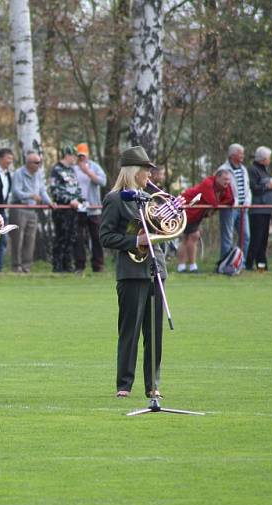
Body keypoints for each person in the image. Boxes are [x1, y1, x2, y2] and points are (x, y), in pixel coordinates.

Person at [99, 146, 167, 398]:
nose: (150, 174)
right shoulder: (115, 199)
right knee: (130, 330)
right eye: (146, 170)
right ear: (134, 171)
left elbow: (164, 235)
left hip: (155, 270)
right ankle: (124, 385)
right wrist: (134, 241)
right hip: (130, 273)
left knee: (154, 333)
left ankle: (153, 384)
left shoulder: (151, 198)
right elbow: (105, 236)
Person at [176, 169, 234, 273]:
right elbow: (212, 201)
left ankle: (182, 266)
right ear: (217, 177)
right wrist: (216, 206)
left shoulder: (225, 186)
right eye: (225, 179)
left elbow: (230, 200)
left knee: (188, 238)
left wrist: (216, 206)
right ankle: (191, 266)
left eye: (228, 180)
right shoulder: (207, 183)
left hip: (197, 213)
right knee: (193, 236)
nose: (227, 182)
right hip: (188, 208)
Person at [9, 151, 49, 273]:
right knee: (18, 239)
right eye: (37, 163)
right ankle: (16, 266)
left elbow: (42, 191)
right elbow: (16, 191)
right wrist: (30, 195)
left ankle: (26, 266)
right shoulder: (18, 173)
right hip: (19, 208)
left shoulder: (39, 174)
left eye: (40, 162)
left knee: (30, 239)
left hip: (32, 210)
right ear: (29, 163)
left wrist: (50, 202)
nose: (39, 165)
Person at [49, 145, 85, 273]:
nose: (76, 158)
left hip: (73, 210)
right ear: (67, 155)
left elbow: (77, 188)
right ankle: (58, 267)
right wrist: (69, 200)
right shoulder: (56, 170)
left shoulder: (72, 171)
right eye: (74, 155)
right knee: (61, 238)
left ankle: (68, 266)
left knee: (72, 238)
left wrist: (79, 200)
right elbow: (55, 190)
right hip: (61, 210)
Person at [72, 143, 107, 272]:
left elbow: (103, 182)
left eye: (83, 156)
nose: (81, 158)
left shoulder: (95, 167)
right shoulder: (72, 169)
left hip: (94, 207)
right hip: (79, 208)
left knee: (97, 238)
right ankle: (79, 266)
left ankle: (98, 265)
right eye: (79, 156)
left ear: (87, 155)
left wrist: (87, 172)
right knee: (78, 238)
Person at [217, 144, 251, 259]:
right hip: (229, 208)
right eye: (240, 153)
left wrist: (247, 201)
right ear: (232, 155)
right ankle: (225, 263)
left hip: (243, 208)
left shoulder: (244, 169)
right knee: (228, 237)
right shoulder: (223, 169)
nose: (243, 155)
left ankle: (241, 262)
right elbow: (219, 188)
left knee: (245, 236)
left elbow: (247, 187)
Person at [247, 146, 272, 271]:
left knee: (264, 240)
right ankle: (248, 264)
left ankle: (261, 266)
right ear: (263, 159)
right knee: (256, 239)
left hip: (266, 210)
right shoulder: (252, 170)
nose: (270, 160)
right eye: (268, 158)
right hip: (257, 210)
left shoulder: (265, 170)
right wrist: (267, 186)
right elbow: (254, 188)